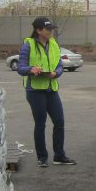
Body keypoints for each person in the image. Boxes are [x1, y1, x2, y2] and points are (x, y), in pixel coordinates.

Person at [17, 17, 76, 167]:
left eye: (51, 29)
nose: (51, 32)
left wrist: (56, 73)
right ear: (38, 30)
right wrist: (31, 69)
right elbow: (20, 68)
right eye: (47, 29)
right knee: (40, 123)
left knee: (59, 122)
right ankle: (42, 157)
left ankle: (59, 156)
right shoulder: (28, 45)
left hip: (51, 88)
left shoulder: (54, 44)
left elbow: (60, 66)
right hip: (35, 91)